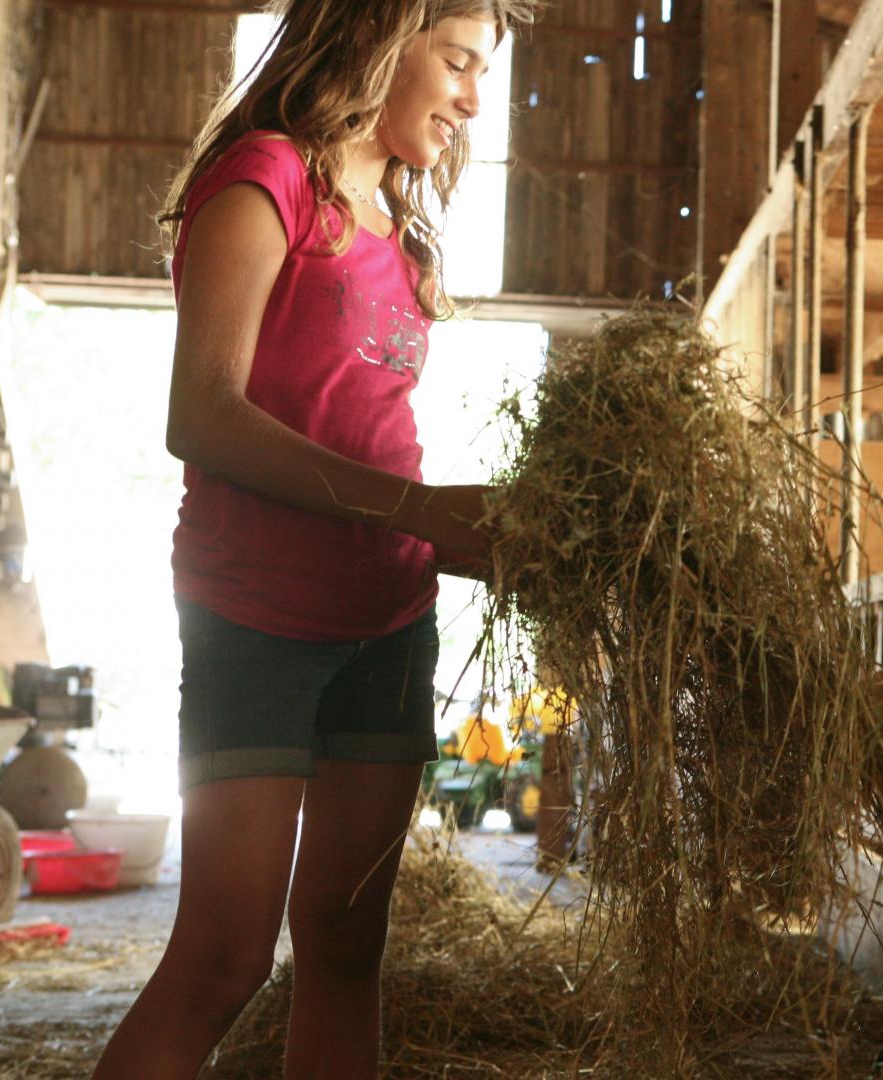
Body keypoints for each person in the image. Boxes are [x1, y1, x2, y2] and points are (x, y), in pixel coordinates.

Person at [93, 1, 532, 1075]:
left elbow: (365, 429)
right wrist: (420, 513)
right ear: (383, 39)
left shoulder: (397, 213)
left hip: (389, 619)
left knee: (345, 947)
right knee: (225, 958)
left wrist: (473, 528)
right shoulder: (265, 177)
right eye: (460, 62)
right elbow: (201, 413)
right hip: (257, 617)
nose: (474, 98)